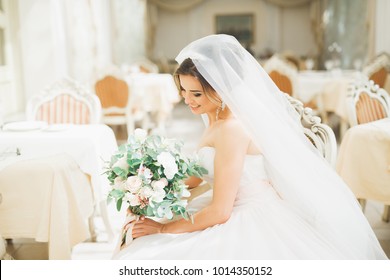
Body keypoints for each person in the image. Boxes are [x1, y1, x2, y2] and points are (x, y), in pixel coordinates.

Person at [112, 34, 387, 259]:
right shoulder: (216, 117)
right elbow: (196, 177)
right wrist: (147, 193)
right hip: (228, 206)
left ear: (219, 90)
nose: (187, 100)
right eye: (183, 91)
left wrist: (163, 228)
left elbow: (220, 211)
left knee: (151, 255)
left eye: (196, 93)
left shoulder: (232, 129)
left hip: (248, 216)